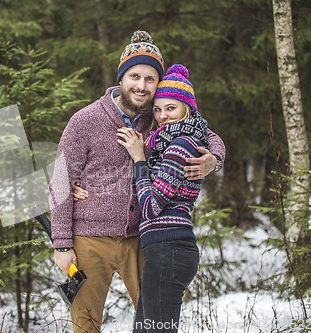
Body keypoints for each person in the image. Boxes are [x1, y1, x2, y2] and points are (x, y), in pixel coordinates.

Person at [49, 31, 225, 333]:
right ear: (122, 77)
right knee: (86, 323)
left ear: (159, 84)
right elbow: (61, 182)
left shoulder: (158, 116)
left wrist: (214, 158)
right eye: (134, 76)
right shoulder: (85, 120)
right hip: (91, 239)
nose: (141, 86)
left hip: (142, 239)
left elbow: (205, 132)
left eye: (150, 78)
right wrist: (62, 244)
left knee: (155, 322)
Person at [117, 64, 208, 332]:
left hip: (171, 249)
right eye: (157, 109)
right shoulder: (167, 141)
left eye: (171, 108)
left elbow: (150, 205)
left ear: (186, 109)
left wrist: (139, 159)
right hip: (163, 250)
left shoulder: (181, 144)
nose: (162, 115)